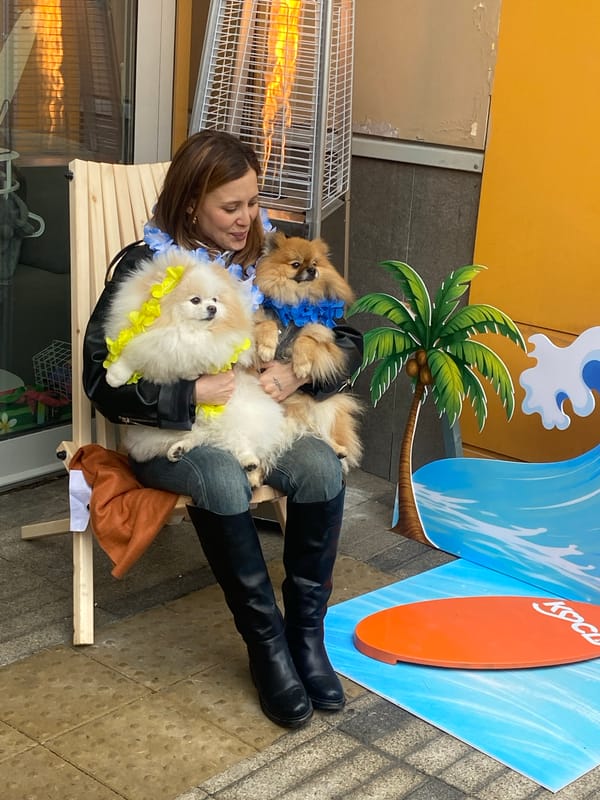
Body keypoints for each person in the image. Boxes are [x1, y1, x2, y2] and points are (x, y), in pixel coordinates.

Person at [83, 129, 363, 728]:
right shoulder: (149, 268)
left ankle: (304, 637)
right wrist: (188, 391)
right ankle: (267, 648)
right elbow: (100, 380)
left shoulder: (265, 257)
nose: (247, 220)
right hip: (175, 435)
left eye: (253, 202)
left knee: (317, 465)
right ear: (191, 205)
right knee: (218, 476)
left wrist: (297, 374)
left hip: (259, 421)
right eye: (230, 207)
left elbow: (346, 336)